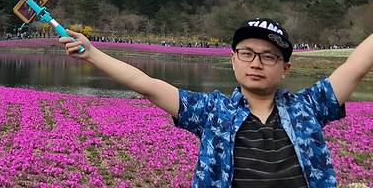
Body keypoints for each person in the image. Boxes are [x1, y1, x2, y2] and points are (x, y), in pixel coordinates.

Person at [60, 18, 373, 187]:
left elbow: (356, 66)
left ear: (285, 67)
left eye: (269, 56)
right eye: (247, 53)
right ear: (233, 60)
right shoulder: (212, 111)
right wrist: (92, 54)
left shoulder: (308, 107)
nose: (256, 63)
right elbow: (147, 85)